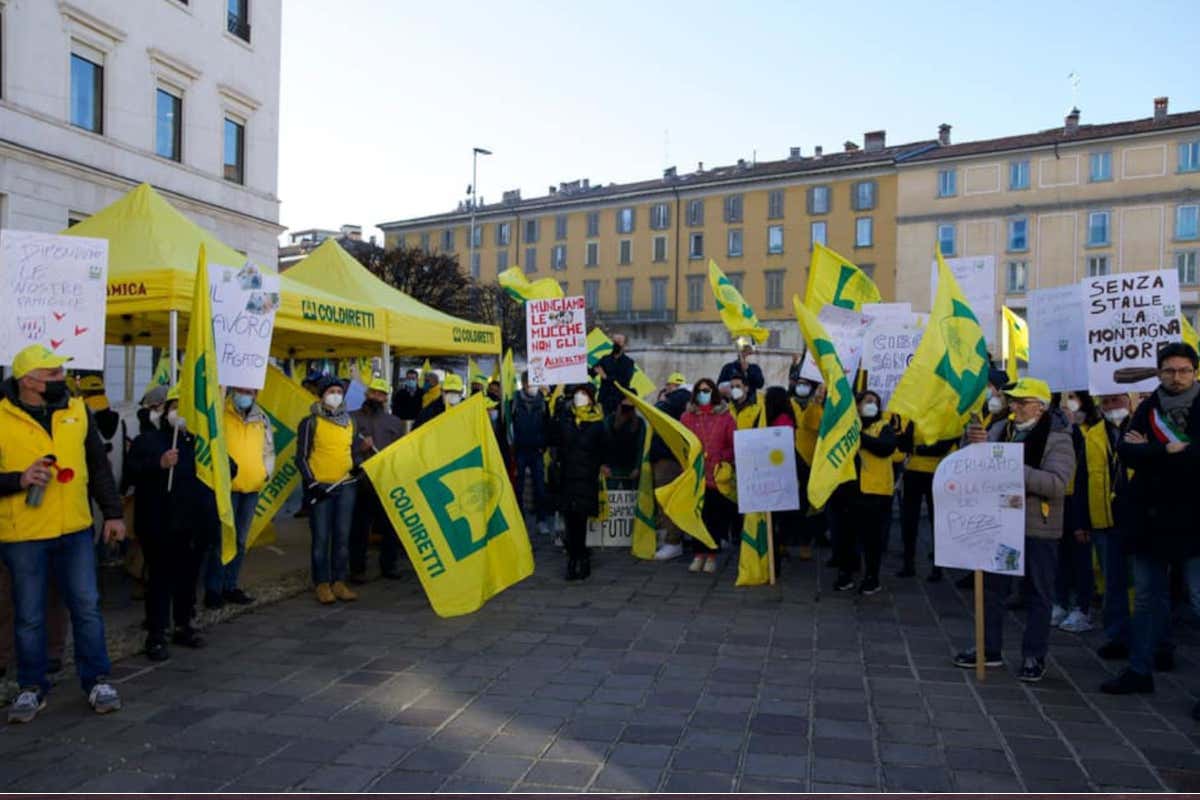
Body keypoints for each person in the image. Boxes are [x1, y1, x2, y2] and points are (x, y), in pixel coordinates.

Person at [0, 344, 124, 722]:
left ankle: (98, 680)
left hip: (75, 529)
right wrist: (18, 479)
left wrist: (114, 514)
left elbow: (99, 468)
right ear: (29, 381)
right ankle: (31, 687)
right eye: (53, 374)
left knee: (86, 607)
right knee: (29, 614)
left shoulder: (78, 410)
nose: (62, 380)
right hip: (24, 533)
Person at [1101, 343, 1200, 715]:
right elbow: (1128, 452)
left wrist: (1160, 452)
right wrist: (1167, 452)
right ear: (1159, 372)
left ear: (1194, 372)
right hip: (1150, 521)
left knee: (1197, 599)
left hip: (1193, 522)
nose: (1177, 377)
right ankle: (1139, 669)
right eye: (1170, 370)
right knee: (1145, 599)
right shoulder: (1147, 408)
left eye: (1185, 370)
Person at [955, 377, 1075, 683]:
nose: (1015, 407)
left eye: (1023, 402)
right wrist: (974, 444)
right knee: (992, 589)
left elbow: (1056, 485)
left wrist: (1008, 466)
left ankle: (1034, 655)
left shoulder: (1059, 439)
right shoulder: (1000, 429)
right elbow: (976, 465)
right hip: (1000, 524)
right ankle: (989, 649)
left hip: (1038, 526)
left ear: (1041, 407)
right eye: (1014, 401)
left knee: (1038, 593)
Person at [126, 385, 225, 661]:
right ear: (164, 410)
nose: (179, 413)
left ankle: (184, 624)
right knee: (159, 580)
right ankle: (157, 633)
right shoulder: (148, 441)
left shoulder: (201, 442)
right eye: (174, 407)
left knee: (188, 579)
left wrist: (218, 453)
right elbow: (130, 472)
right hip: (159, 524)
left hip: (194, 525)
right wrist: (159, 463)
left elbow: (230, 468)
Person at [203, 386, 274, 609]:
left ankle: (230, 585)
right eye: (242, 389)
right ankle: (213, 589)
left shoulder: (262, 418)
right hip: (226, 488)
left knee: (241, 541)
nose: (247, 394)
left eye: (251, 391)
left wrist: (265, 473)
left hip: (252, 487)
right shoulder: (221, 412)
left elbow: (268, 449)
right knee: (221, 541)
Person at [296, 376, 362, 605]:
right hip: (321, 489)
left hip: (346, 487)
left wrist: (357, 466)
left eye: (339, 391)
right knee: (321, 538)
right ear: (322, 395)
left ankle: (339, 582)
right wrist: (312, 484)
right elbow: (301, 457)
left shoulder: (350, 422)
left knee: (342, 537)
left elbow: (352, 452)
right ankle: (322, 583)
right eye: (331, 391)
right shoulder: (310, 422)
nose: (335, 395)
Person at [831, 391, 896, 594]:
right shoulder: (848, 426)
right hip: (849, 489)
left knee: (871, 538)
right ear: (857, 406)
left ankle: (872, 577)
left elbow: (886, 448)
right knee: (846, 536)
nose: (872, 405)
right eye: (867, 402)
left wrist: (860, 438)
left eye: (875, 402)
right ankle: (846, 573)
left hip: (875, 492)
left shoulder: (883, 427)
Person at [1088, 393, 1135, 659]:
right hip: (1104, 519)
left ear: (1130, 401)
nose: (1111, 407)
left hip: (1137, 520)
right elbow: (1083, 478)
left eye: (1116, 400)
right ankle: (1117, 637)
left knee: (1144, 585)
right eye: (1105, 402)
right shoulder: (1093, 434)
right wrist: (1082, 522)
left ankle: (1155, 641)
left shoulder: (1145, 427)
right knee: (1112, 583)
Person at [547, 383, 609, 580]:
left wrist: (603, 464)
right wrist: (552, 411)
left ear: (591, 398)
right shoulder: (565, 419)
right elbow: (552, 437)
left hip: (587, 476)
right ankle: (572, 559)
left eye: (583, 394)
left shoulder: (598, 422)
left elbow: (604, 447)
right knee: (570, 520)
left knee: (580, 520)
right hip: (567, 476)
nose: (579, 397)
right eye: (576, 393)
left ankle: (581, 558)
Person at [1052, 391, 1100, 633]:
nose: (1065, 402)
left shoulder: (1093, 429)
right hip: (1060, 498)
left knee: (1082, 559)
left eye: (1071, 396)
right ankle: (1059, 602)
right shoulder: (1057, 427)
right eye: (1060, 398)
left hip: (1082, 501)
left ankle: (1082, 608)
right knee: (1060, 555)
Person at [349, 378, 405, 583]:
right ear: (367, 394)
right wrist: (359, 451)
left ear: (385, 398)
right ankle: (357, 569)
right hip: (361, 482)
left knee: (390, 528)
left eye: (380, 394)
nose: (376, 397)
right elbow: (342, 449)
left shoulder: (394, 422)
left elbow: (400, 452)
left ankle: (389, 566)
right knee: (359, 528)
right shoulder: (351, 420)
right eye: (373, 392)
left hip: (385, 481)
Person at [681, 378, 736, 574]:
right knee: (698, 517)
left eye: (707, 390)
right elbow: (682, 444)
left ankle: (711, 555)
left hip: (717, 476)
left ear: (714, 393)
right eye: (700, 390)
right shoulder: (687, 417)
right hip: (696, 476)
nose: (703, 394)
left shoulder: (726, 418)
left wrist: (722, 457)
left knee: (715, 518)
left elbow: (733, 444)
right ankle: (698, 554)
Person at [895, 418, 958, 582]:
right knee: (909, 521)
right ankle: (908, 564)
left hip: (938, 473)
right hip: (913, 472)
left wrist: (916, 448)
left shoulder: (948, 416)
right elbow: (904, 445)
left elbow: (941, 448)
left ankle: (938, 567)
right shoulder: (915, 417)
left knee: (937, 521)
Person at [651, 372, 691, 560]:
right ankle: (670, 538)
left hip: (669, 459)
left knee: (667, 502)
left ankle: (673, 541)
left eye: (669, 385)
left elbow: (661, 411)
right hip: (666, 457)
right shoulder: (677, 400)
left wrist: (662, 401)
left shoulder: (679, 398)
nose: (667, 388)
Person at [763, 386, 801, 571]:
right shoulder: (780, 418)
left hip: (777, 472)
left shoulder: (782, 420)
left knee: (777, 518)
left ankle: (775, 559)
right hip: (775, 470)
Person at [511, 377, 550, 534]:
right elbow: (508, 423)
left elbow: (548, 426)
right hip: (520, 450)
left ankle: (542, 520)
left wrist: (544, 445)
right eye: (530, 383)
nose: (533, 386)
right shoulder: (514, 401)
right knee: (518, 487)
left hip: (537, 451)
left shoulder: (542, 402)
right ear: (524, 384)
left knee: (540, 487)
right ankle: (519, 520)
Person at [605, 397, 646, 488]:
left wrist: (637, 467)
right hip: (612, 467)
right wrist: (604, 465)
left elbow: (641, 446)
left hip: (631, 467)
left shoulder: (639, 423)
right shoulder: (610, 420)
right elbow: (604, 443)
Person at [593, 333, 635, 414]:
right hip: (605, 399)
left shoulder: (628, 362)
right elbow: (592, 371)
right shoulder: (605, 359)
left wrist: (606, 377)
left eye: (619, 342)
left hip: (620, 400)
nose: (617, 344)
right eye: (615, 342)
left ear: (624, 345)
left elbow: (625, 381)